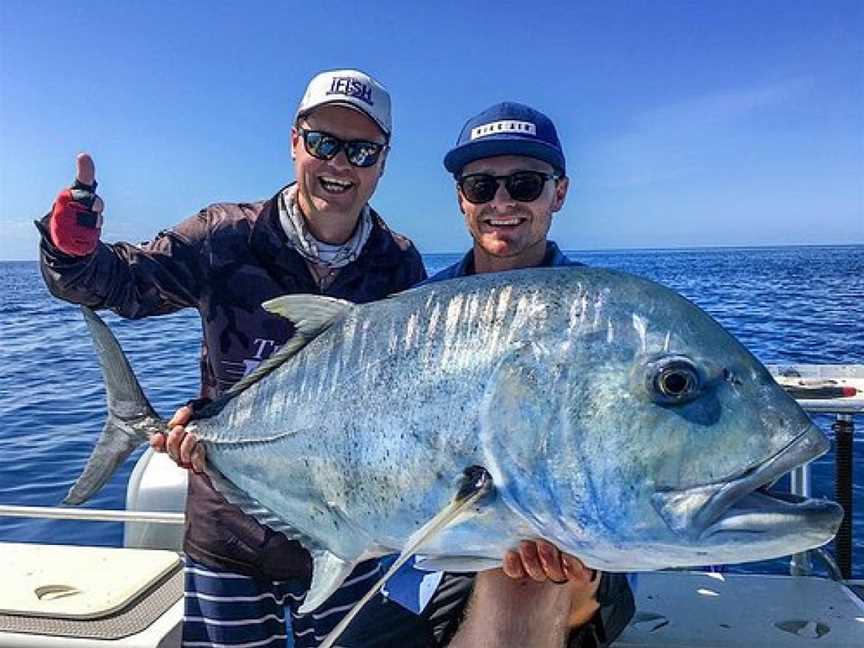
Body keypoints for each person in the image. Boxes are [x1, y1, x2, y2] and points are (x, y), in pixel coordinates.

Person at [36, 69, 444, 648]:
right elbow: (120, 285)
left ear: (383, 161)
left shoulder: (397, 264)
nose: (340, 164)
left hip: (347, 537)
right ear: (294, 142)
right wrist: (71, 250)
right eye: (324, 142)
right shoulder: (225, 236)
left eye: (361, 150)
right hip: (228, 538)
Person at [417, 101, 636, 647]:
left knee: (532, 572)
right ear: (460, 199)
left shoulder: (606, 318)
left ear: (558, 192)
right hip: (444, 548)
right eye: (480, 186)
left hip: (584, 561)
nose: (502, 202)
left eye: (525, 183)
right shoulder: (415, 315)